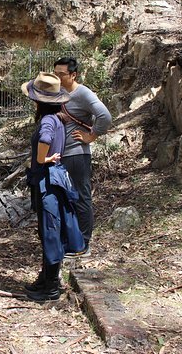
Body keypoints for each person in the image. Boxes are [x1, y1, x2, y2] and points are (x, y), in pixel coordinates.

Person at [21, 72, 84, 302]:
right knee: (50, 231)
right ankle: (47, 279)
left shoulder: (48, 120)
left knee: (50, 232)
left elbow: (45, 140)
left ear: (38, 100)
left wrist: (42, 159)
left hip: (48, 180)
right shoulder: (57, 118)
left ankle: (51, 287)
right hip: (54, 179)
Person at [53, 56, 112, 257]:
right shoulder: (58, 92)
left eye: (61, 74)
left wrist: (91, 136)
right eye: (55, 73)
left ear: (73, 74)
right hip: (60, 155)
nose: (58, 77)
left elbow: (105, 116)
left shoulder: (83, 93)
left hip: (77, 154)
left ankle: (84, 244)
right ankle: (71, 240)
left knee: (81, 197)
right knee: (65, 199)